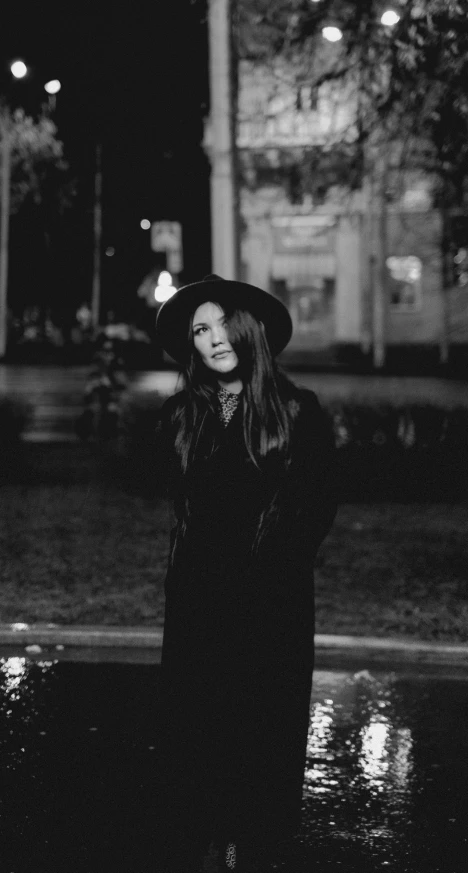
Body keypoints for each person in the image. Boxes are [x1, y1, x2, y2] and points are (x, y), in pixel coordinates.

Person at [154, 274, 337, 872]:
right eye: (198, 331)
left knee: (261, 724)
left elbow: (316, 509)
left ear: (249, 329)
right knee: (198, 721)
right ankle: (205, 836)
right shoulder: (183, 415)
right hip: (197, 601)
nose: (212, 340)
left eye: (221, 324)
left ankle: (250, 843)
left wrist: (270, 576)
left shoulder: (296, 411)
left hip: (269, 604)